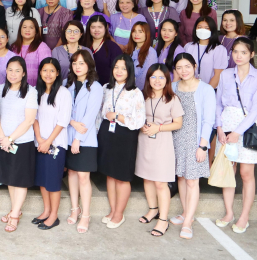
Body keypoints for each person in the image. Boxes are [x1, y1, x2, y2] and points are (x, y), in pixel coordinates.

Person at [216, 37, 257, 234]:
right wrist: (219, 127)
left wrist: (237, 132)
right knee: (228, 171)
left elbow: (256, 109)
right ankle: (229, 213)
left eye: (243, 52)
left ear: (251, 54)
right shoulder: (226, 74)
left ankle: (244, 216)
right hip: (226, 122)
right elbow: (218, 102)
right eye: (235, 51)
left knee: (246, 173)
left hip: (247, 125)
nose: (238, 55)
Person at [97, 54, 146, 229]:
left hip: (125, 136)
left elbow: (139, 121)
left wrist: (118, 116)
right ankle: (112, 210)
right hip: (107, 134)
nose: (119, 71)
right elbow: (100, 113)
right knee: (110, 174)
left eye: (123, 68)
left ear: (130, 71)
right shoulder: (106, 88)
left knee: (122, 177)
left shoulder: (135, 93)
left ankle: (119, 214)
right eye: (116, 67)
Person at [136, 64, 183, 237]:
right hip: (144, 140)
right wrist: (141, 126)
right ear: (148, 79)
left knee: (161, 183)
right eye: (153, 77)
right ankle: (153, 210)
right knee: (147, 178)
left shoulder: (172, 98)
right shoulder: (143, 97)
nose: (157, 81)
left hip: (163, 141)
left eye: (161, 77)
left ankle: (163, 220)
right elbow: (137, 116)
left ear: (167, 80)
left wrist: (159, 128)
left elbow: (178, 123)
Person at [171, 53, 214, 239]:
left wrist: (203, 146)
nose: (183, 71)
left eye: (187, 66)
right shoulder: (173, 87)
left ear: (195, 66)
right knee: (181, 176)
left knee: (192, 180)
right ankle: (186, 212)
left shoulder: (205, 89)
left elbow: (208, 120)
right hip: (175, 138)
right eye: (179, 67)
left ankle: (188, 221)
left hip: (195, 141)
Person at [0, 56, 38, 232]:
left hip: (22, 142)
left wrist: (10, 138)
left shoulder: (31, 91)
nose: (13, 74)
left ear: (24, 73)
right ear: (6, 71)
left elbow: (29, 120)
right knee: (10, 179)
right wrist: (2, 138)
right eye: (10, 70)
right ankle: (16, 210)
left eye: (17, 70)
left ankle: (14, 214)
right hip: (4, 141)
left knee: (19, 180)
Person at [63, 50, 102, 234]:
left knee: (83, 177)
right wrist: (71, 122)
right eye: (74, 63)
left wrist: (78, 139)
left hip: (85, 139)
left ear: (89, 65)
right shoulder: (67, 84)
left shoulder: (95, 87)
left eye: (81, 63)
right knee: (71, 172)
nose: (77, 67)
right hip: (67, 135)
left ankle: (85, 215)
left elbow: (90, 115)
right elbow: (62, 110)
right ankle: (74, 208)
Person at [30, 58, 72, 231]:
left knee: (53, 181)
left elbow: (63, 121)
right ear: (40, 72)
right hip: (39, 143)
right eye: (45, 70)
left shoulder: (63, 93)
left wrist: (48, 142)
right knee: (42, 180)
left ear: (57, 74)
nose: (48, 74)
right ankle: (46, 210)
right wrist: (40, 139)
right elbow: (34, 118)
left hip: (56, 144)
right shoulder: (35, 92)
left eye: (52, 71)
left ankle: (54, 215)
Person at [184, 16, 228, 88]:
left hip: (210, 90)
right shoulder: (188, 47)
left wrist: (206, 93)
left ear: (212, 30)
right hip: (189, 89)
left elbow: (217, 75)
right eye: (199, 27)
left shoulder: (219, 49)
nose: (202, 30)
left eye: (207, 28)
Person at [11, 17, 52, 86]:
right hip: (16, 86)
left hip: (36, 87)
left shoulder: (42, 47)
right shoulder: (14, 47)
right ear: (20, 30)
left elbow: (47, 69)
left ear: (36, 31)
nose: (27, 30)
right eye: (24, 27)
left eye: (31, 27)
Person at [84, 15, 123, 85]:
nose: (96, 30)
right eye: (93, 27)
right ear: (89, 28)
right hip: (85, 86)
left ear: (105, 28)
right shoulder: (83, 45)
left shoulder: (113, 47)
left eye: (100, 27)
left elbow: (119, 70)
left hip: (107, 87)